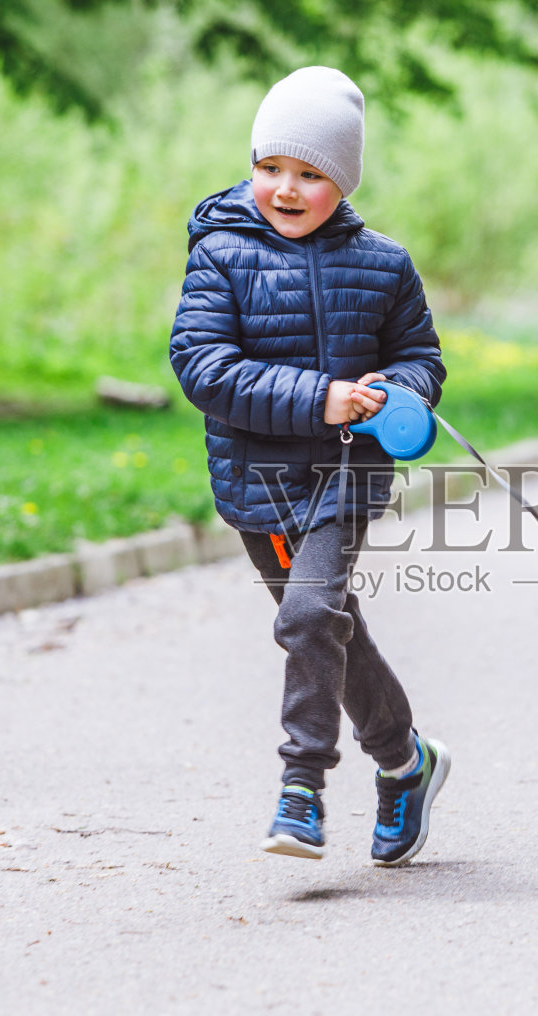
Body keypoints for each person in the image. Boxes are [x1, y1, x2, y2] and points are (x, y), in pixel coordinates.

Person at [168, 67, 450, 866]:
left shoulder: (385, 264)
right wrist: (317, 397)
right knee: (328, 628)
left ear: (343, 179)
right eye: (271, 168)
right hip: (256, 479)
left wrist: (397, 392)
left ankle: (302, 790)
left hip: (346, 475)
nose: (285, 189)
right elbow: (204, 367)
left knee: (305, 619)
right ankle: (406, 763)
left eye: (310, 174)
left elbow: (419, 356)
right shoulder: (220, 255)